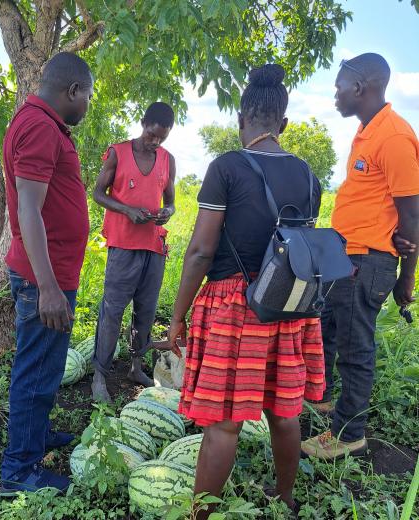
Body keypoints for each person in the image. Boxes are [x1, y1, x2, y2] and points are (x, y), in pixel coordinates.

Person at [167, 64, 324, 518]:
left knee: (224, 424)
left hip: (236, 306)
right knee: (284, 410)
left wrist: (177, 316)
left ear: (241, 121)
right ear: (285, 124)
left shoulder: (227, 167)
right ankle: (285, 497)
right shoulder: (307, 174)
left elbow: (199, 251)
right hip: (289, 304)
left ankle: (201, 515)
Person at [302, 53, 419, 460]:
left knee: (355, 348)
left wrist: (407, 279)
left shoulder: (395, 137)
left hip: (367, 261)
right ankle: (326, 400)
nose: (334, 95)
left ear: (360, 87)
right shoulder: (368, 132)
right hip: (345, 257)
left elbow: (412, 214)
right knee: (329, 333)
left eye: (338, 87)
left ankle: (349, 433)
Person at [0, 52, 93, 492]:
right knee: (34, 374)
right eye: (88, 95)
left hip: (50, 274)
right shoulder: (39, 126)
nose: (88, 104)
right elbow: (29, 209)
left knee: (45, 369)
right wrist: (48, 288)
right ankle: (20, 471)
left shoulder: (42, 123)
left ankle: (35, 439)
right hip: (44, 278)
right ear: (73, 90)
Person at [91, 102, 176, 402]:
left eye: (162, 138)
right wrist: (126, 210)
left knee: (146, 311)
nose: (155, 142)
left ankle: (136, 366)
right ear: (143, 124)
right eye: (152, 135)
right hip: (124, 245)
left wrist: (167, 212)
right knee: (112, 311)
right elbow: (98, 193)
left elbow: (171, 201)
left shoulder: (167, 160)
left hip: (153, 246)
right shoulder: (119, 152)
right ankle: (100, 374)